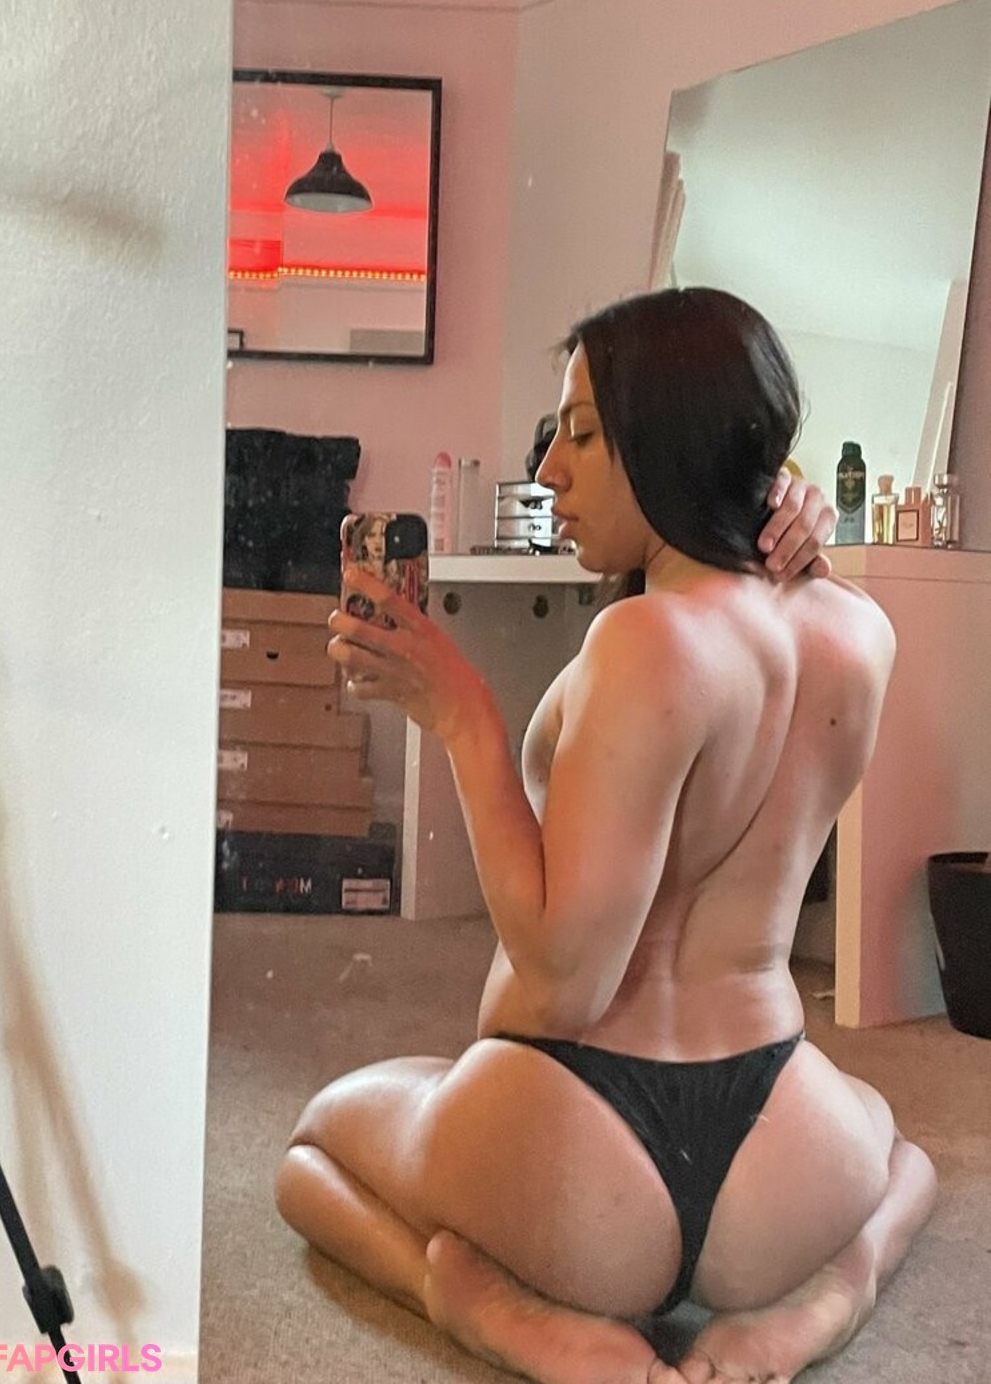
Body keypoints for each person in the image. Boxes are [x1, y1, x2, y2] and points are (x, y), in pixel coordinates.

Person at [274, 287, 936, 1384]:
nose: (549, 473)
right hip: (782, 1147)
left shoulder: (644, 640)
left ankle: (483, 1307)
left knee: (311, 1149)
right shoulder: (862, 631)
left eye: (581, 434)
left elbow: (564, 983)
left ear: (667, 438)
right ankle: (834, 1291)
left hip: (582, 1151)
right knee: (901, 1156)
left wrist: (465, 719)